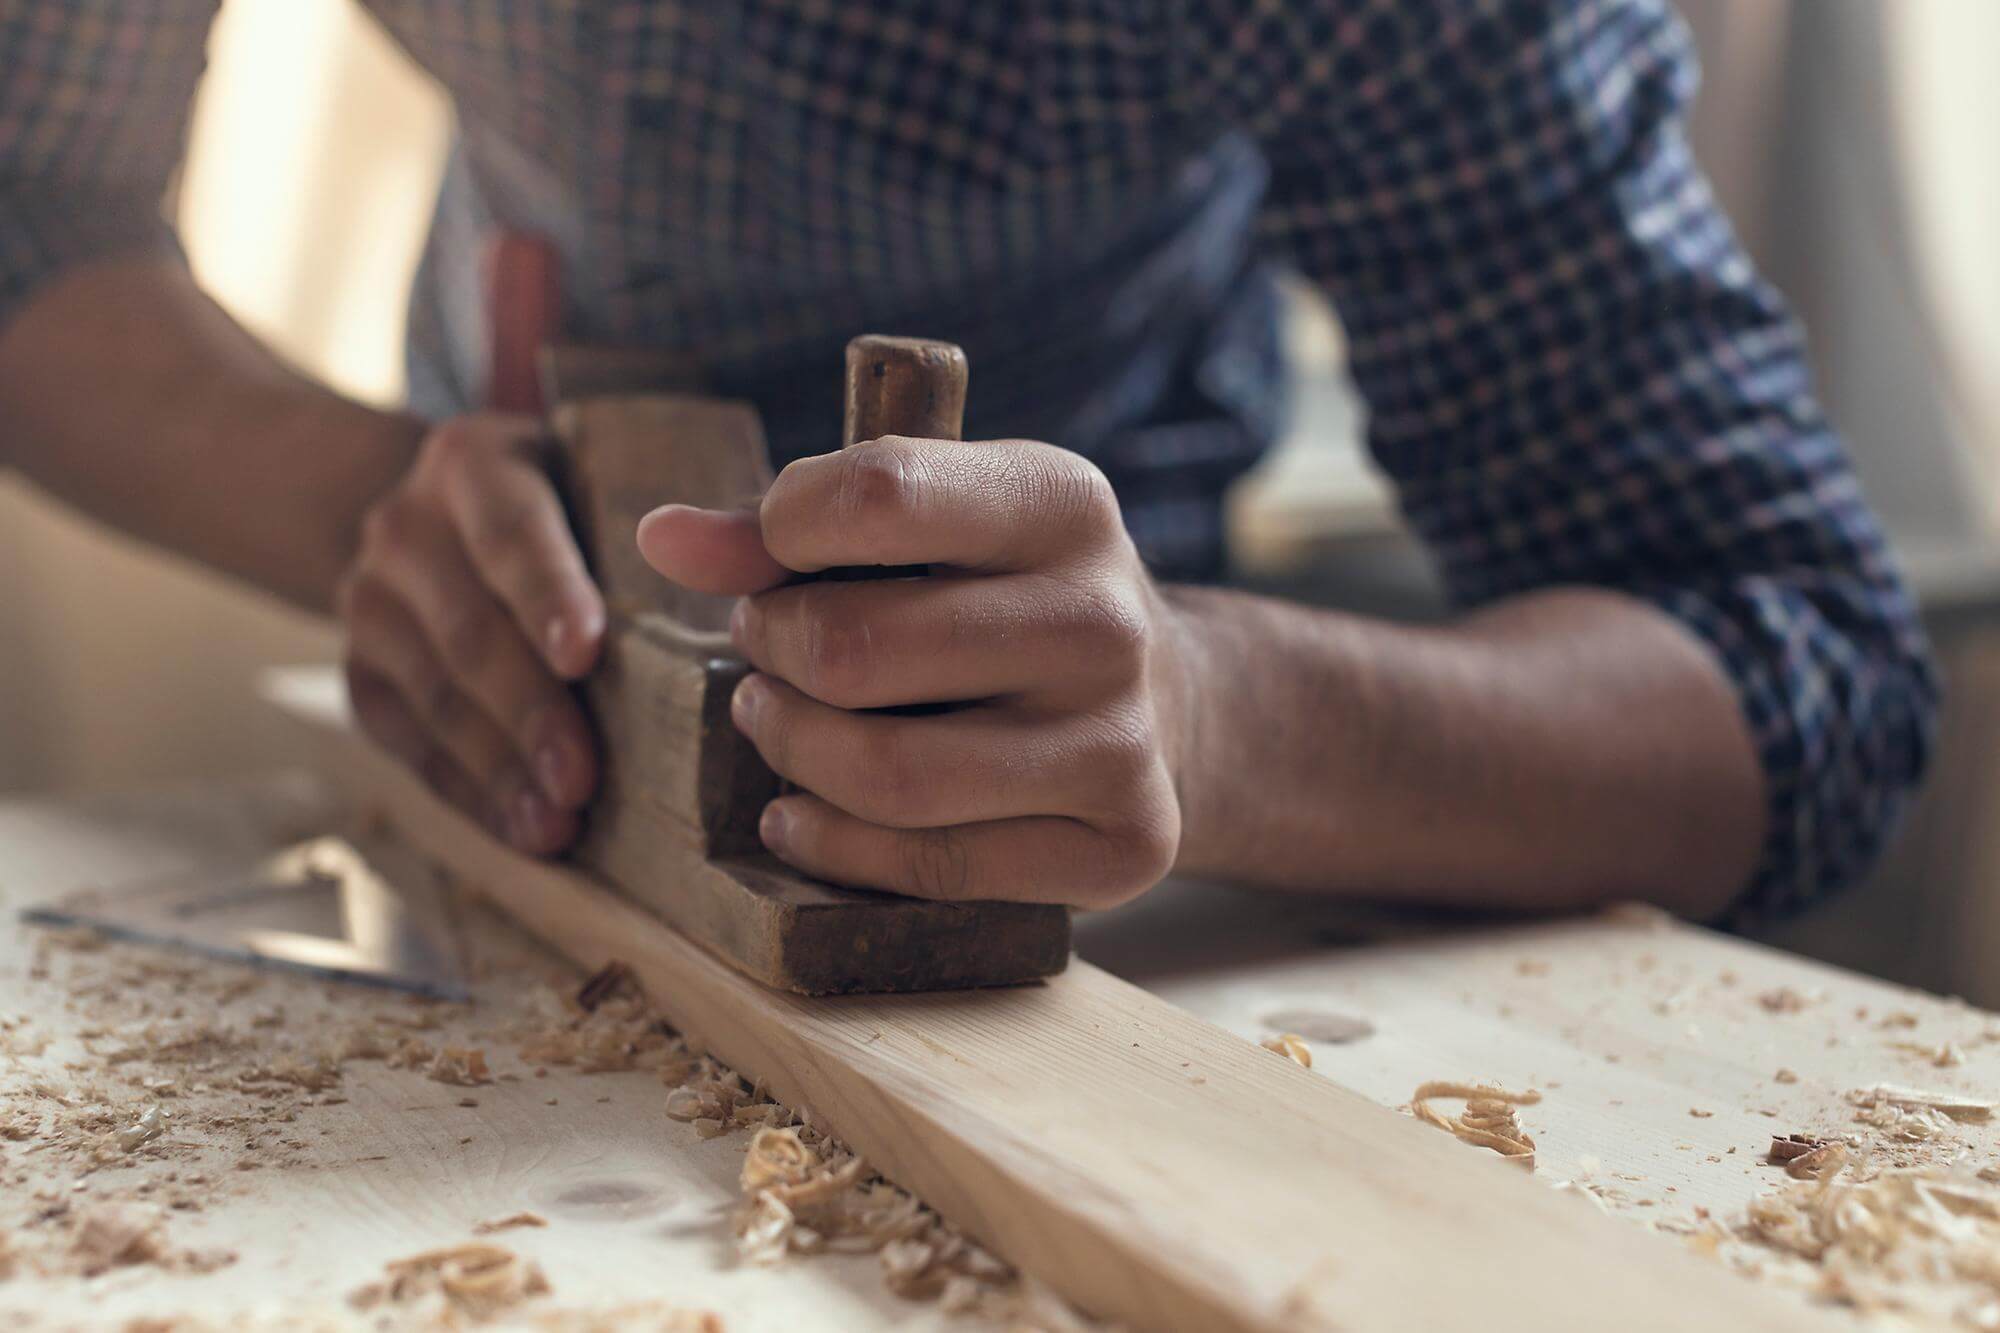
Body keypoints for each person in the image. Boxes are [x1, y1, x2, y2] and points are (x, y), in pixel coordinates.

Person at [0, 1, 1937, 926]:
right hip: (507, 684)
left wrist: (1200, 715)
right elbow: (33, 210)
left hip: (1073, 780)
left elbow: (1794, 665)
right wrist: (373, 513)